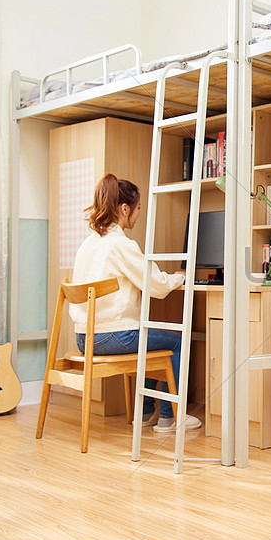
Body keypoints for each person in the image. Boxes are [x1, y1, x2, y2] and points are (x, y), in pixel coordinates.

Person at [70, 173, 200, 433]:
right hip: (112, 337)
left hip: (84, 338)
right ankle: (170, 416)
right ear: (125, 208)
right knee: (176, 341)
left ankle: (145, 412)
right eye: (138, 208)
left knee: (150, 341)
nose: (139, 214)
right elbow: (157, 286)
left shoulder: (88, 243)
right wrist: (178, 277)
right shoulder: (120, 244)